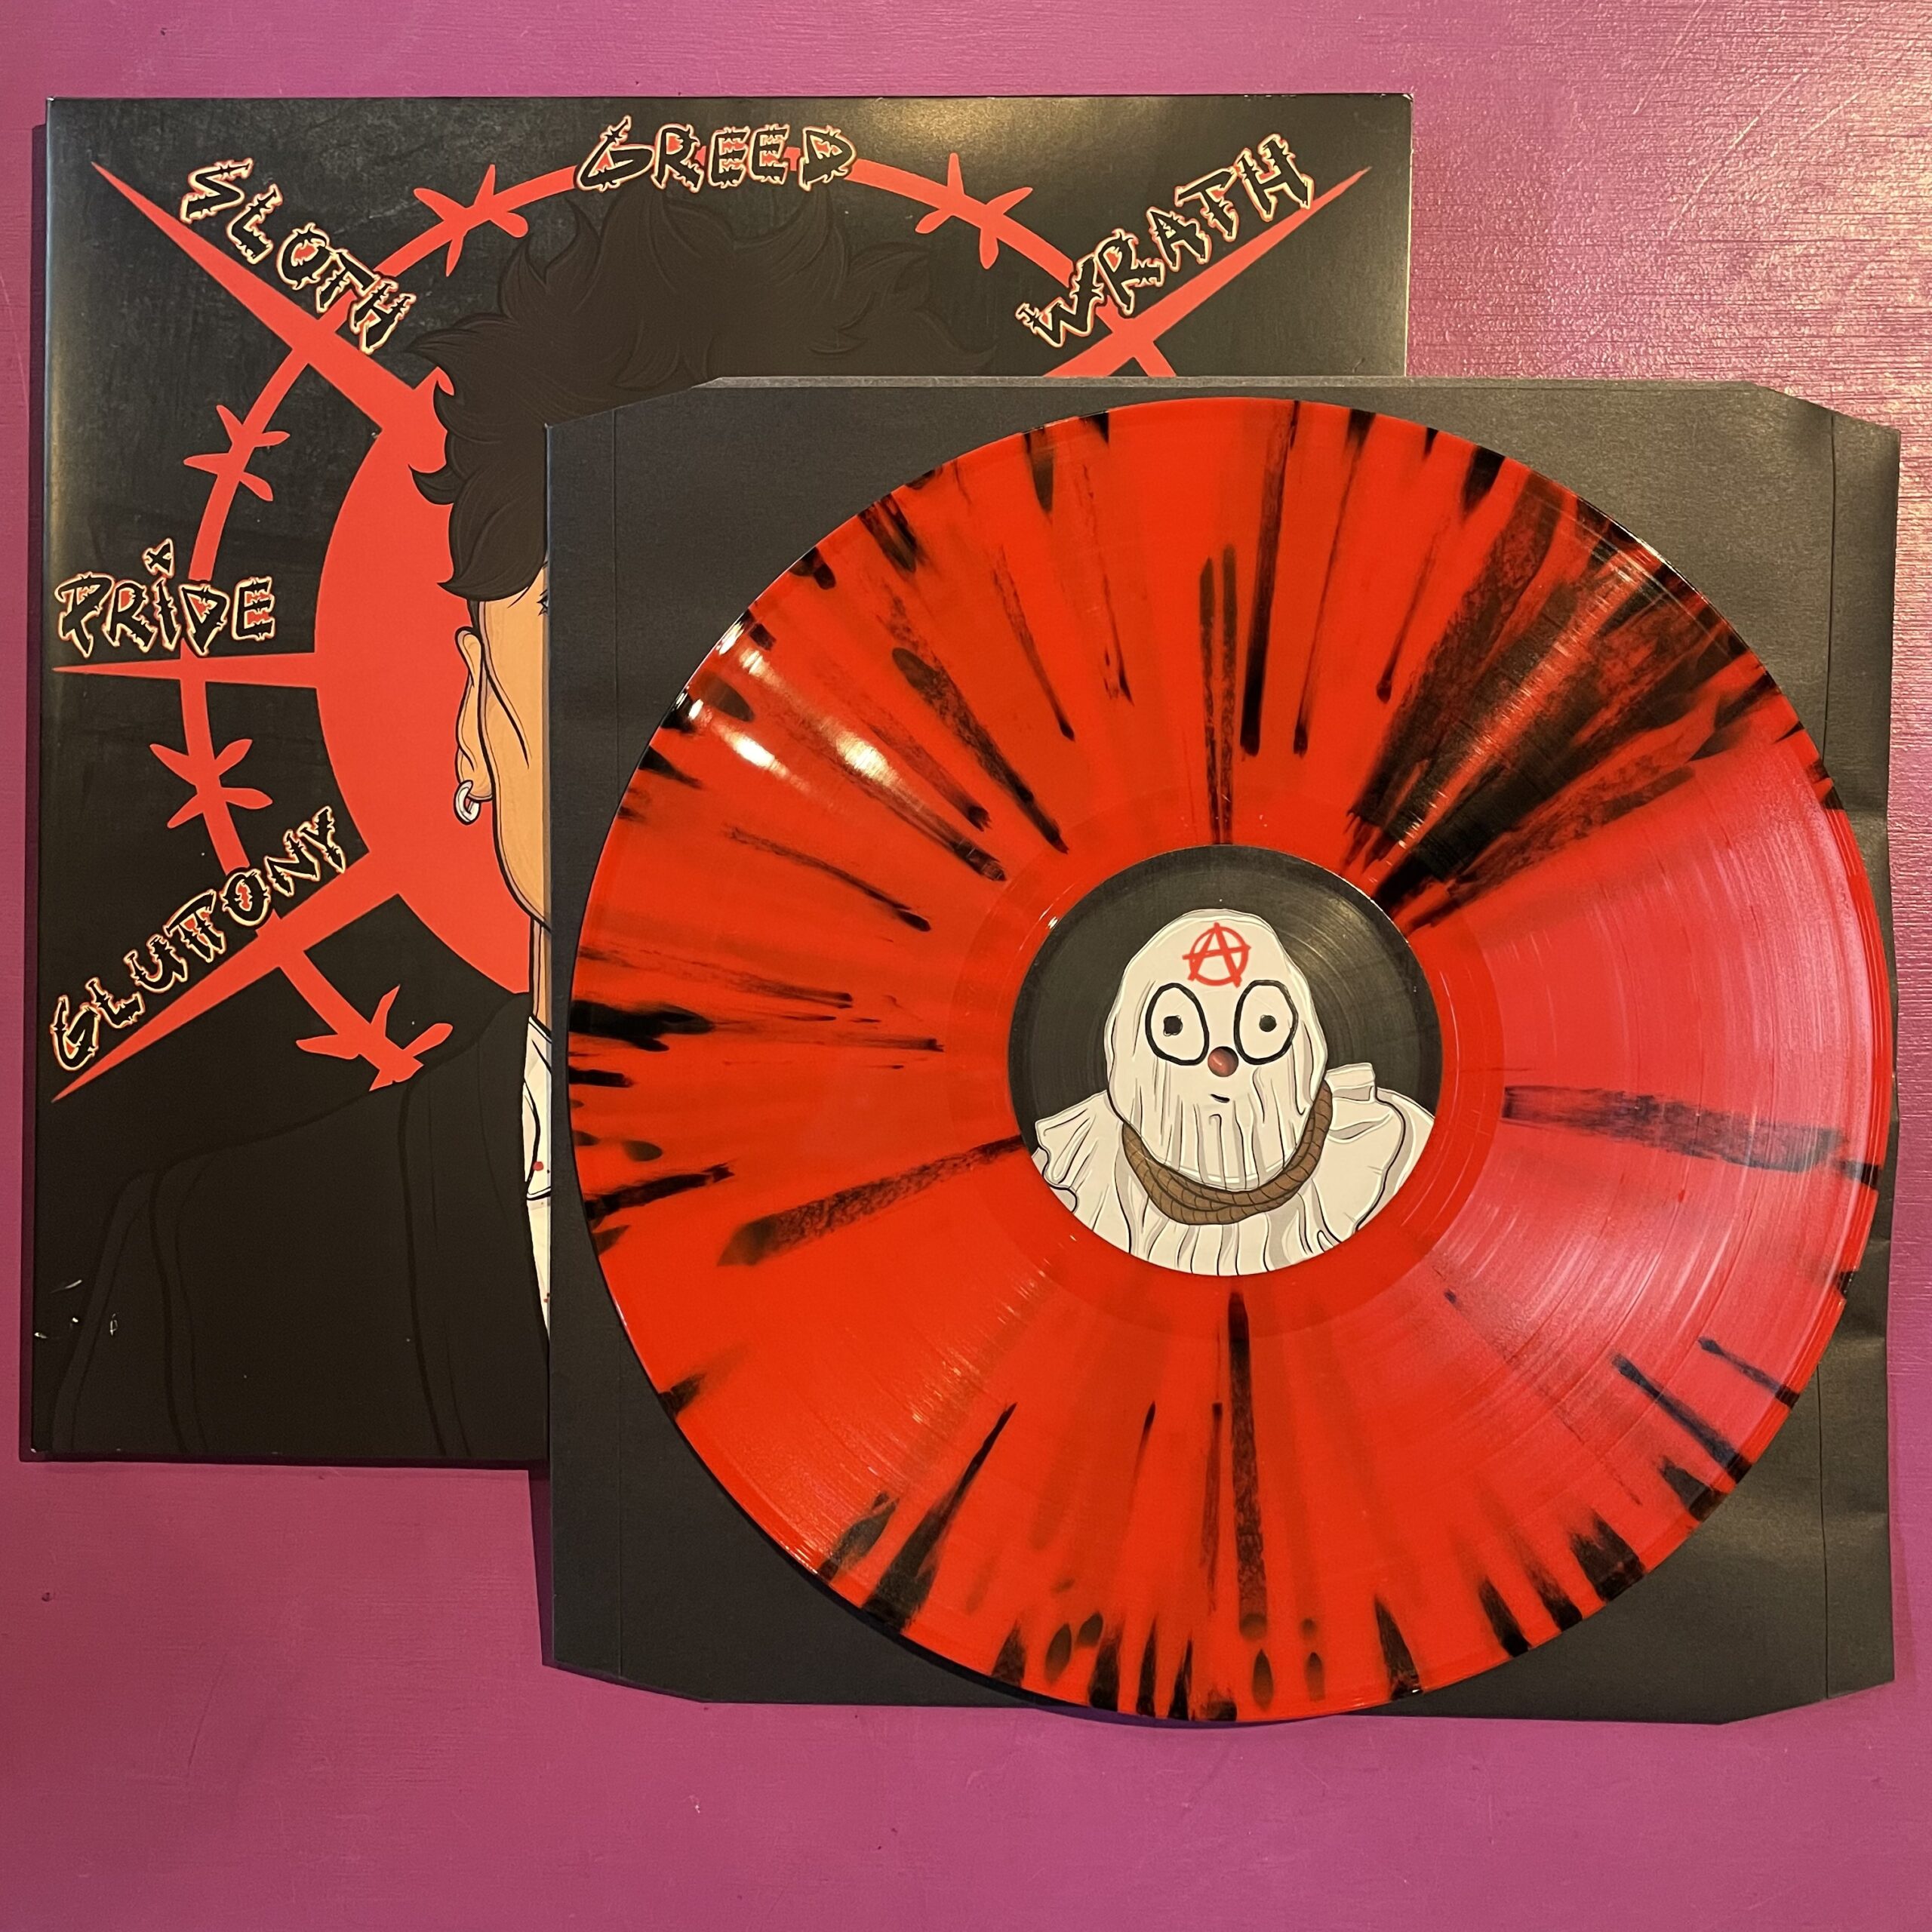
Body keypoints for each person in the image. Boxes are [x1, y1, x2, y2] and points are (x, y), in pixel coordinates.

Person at [53, 186, 984, 1460]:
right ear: (473, 713)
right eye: (593, 625)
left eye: (770, 638)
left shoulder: (1078, 1211)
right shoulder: (210, 1258)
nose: (686, 723)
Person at [1033, 909, 1432, 1275]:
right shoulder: (1077, 1176)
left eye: (1264, 1024)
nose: (1222, 1062)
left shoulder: (1397, 1152)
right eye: (1175, 1027)